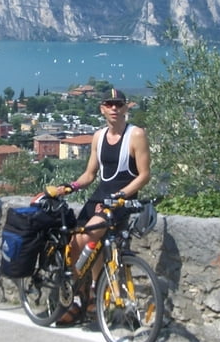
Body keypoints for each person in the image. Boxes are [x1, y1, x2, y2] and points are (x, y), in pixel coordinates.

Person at [56, 88, 151, 324]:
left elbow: (144, 175)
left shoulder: (135, 135)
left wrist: (121, 195)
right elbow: (90, 174)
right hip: (99, 198)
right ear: (102, 109)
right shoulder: (98, 137)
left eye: (118, 104)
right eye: (109, 104)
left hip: (121, 201)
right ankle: (82, 297)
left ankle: (92, 294)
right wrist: (70, 187)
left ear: (126, 107)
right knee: (76, 242)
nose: (114, 108)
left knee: (85, 236)